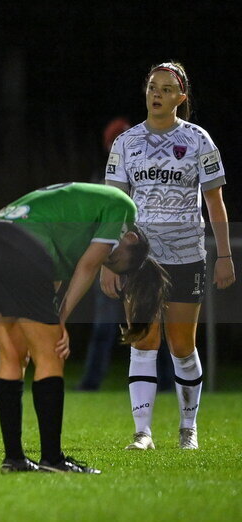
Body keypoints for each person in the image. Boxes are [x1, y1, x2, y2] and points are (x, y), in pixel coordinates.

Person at [0, 182, 168, 474]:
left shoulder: (72, 230)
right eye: (115, 259)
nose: (108, 260)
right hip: (21, 246)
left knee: (13, 355)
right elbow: (87, 266)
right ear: (131, 237)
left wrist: (53, 313)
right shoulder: (124, 207)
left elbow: (52, 281)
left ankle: (15, 459)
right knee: (51, 355)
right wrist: (60, 320)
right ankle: (53, 460)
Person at [103, 61, 234, 451]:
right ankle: (142, 433)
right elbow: (114, 204)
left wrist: (224, 254)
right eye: (151, 87)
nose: (156, 94)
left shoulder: (198, 140)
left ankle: (187, 428)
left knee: (181, 345)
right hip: (141, 259)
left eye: (165, 88)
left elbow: (215, 203)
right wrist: (111, 260)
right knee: (143, 339)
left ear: (180, 98)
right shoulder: (126, 143)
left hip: (186, 255)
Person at [78, 118, 176, 391]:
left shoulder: (152, 174)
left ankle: (167, 383)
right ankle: (91, 383)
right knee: (104, 327)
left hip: (144, 261)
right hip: (112, 262)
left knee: (153, 324)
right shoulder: (102, 179)